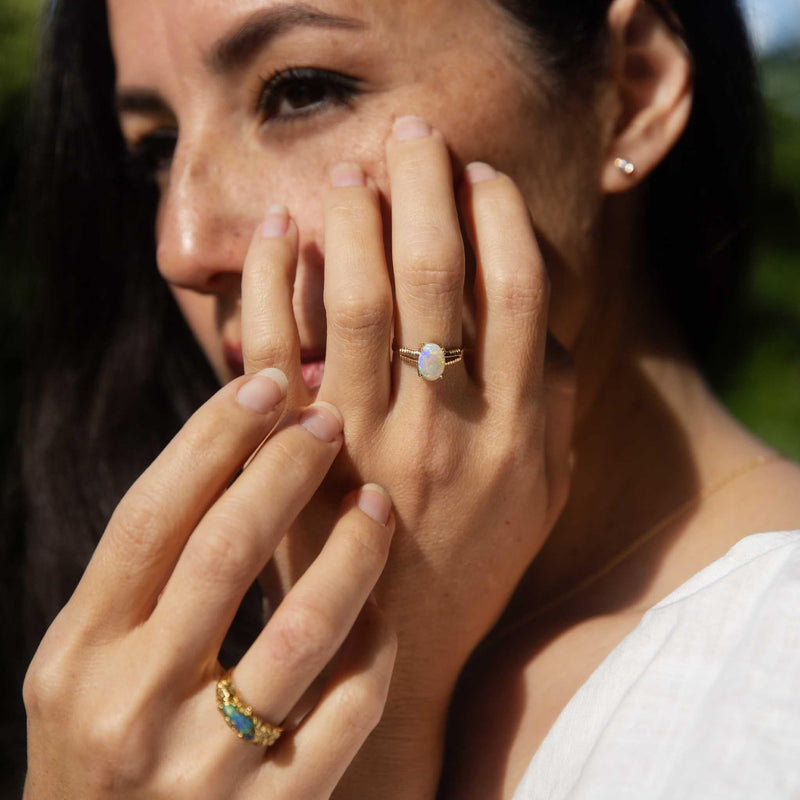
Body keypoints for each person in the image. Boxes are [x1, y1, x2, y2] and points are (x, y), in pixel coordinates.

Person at [10, 0, 800, 796]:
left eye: (301, 91)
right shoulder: (151, 689)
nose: (182, 245)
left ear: (632, 91)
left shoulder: (768, 683)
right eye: (156, 148)